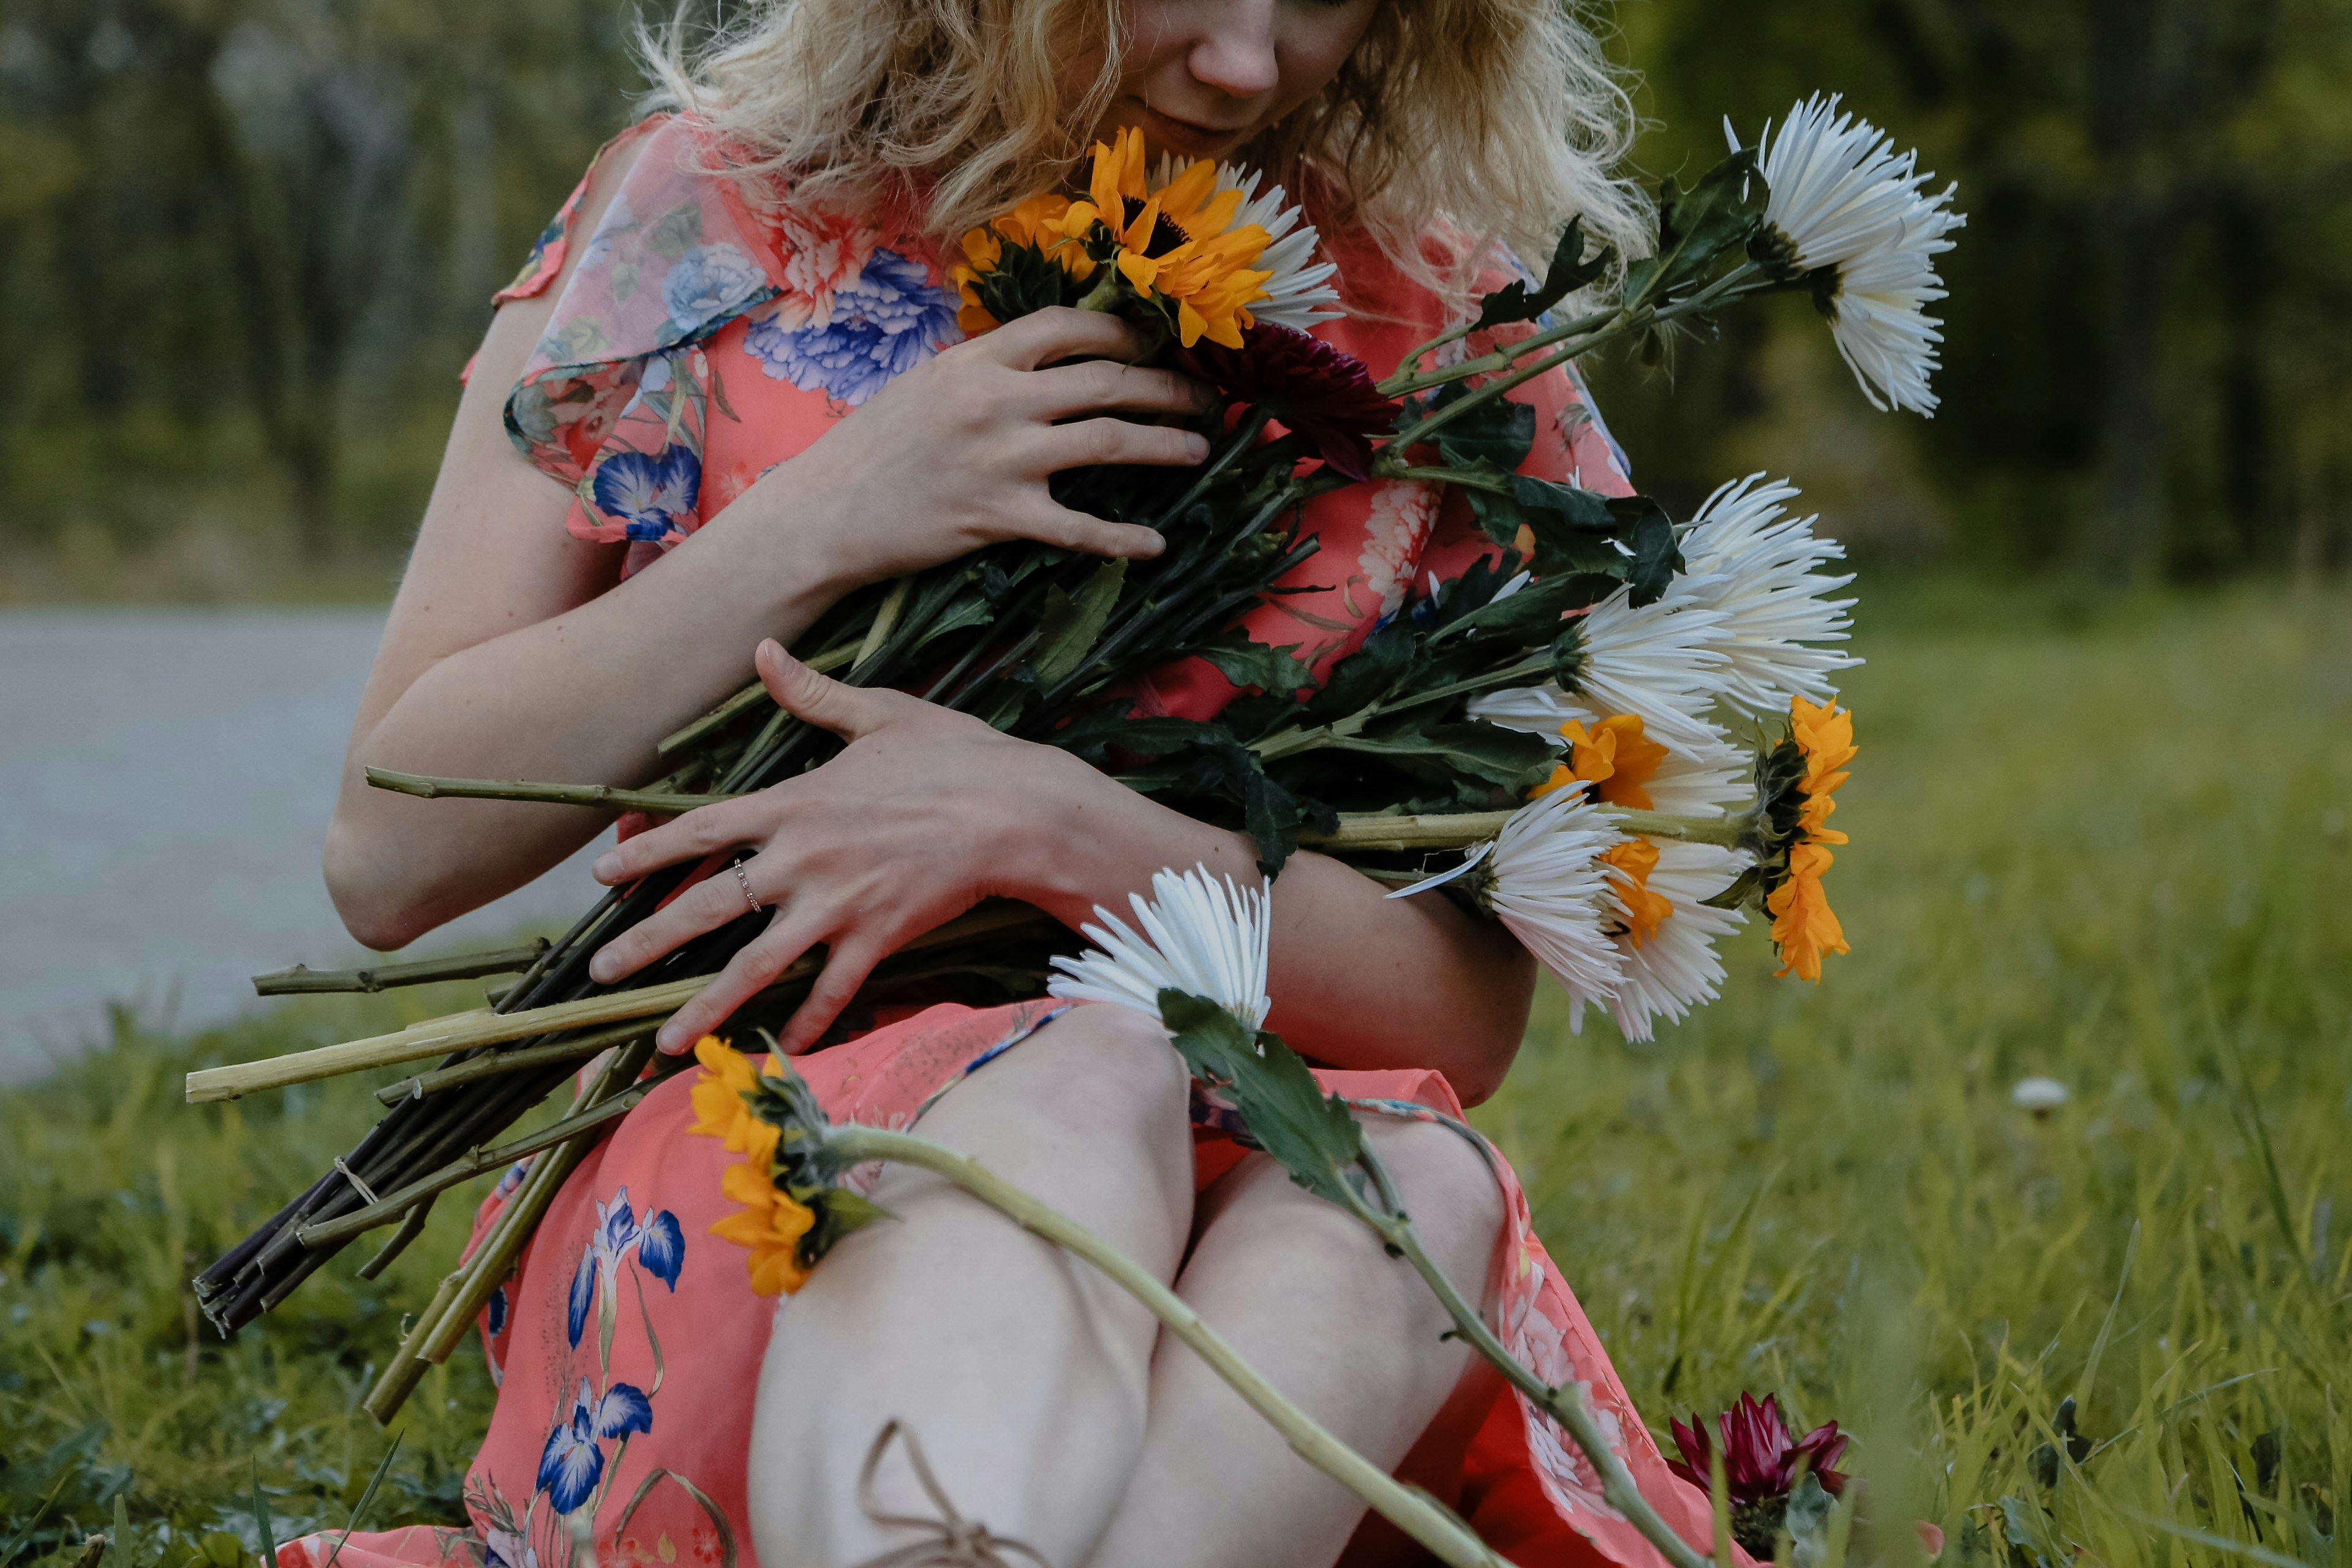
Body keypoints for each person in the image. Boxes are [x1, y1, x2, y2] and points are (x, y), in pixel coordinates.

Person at [294, 2, 1732, 1565]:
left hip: (1226, 1185)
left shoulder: (1435, 321)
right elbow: (392, 852)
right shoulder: (710, 213)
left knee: (1418, 1182)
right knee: (1078, 1075)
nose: (1250, 63)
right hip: (767, 1162)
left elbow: (1462, 1023)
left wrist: (1049, 827)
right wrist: (836, 508)